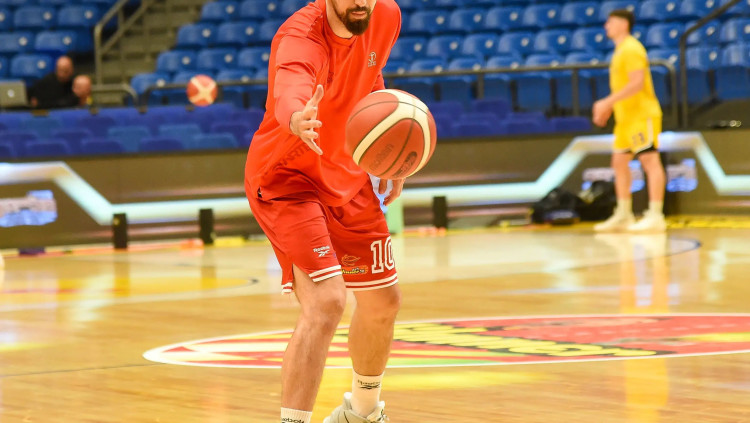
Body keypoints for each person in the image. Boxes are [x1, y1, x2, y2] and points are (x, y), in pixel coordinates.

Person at [243, 1, 401, 423]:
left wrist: (384, 147)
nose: (360, 1)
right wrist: (297, 116)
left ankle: (361, 414)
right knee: (328, 301)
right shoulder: (301, 36)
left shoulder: (385, 15)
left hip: (347, 175)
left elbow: (370, 77)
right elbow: (289, 86)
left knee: (383, 302)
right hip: (288, 178)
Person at [593, 9, 667, 232]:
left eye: (610, 22)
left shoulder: (632, 49)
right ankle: (624, 214)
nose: (606, 26)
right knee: (618, 162)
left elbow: (636, 83)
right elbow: (623, 86)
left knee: (649, 160)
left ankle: (656, 215)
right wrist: (611, 107)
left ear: (623, 24)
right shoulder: (619, 50)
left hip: (641, 115)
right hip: (625, 118)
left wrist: (606, 102)